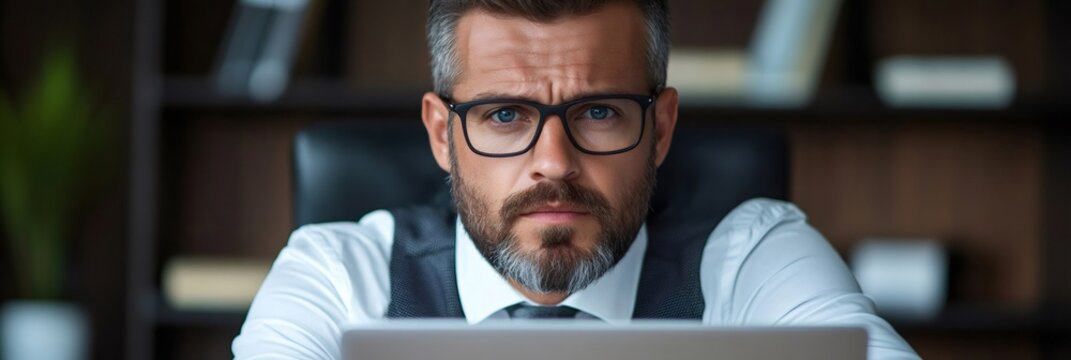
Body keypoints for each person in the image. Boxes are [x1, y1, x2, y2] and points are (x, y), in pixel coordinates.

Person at [232, 0, 920, 359]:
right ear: (443, 134)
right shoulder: (337, 275)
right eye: (505, 115)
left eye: (597, 112)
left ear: (660, 128)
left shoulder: (753, 260)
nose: (554, 162)